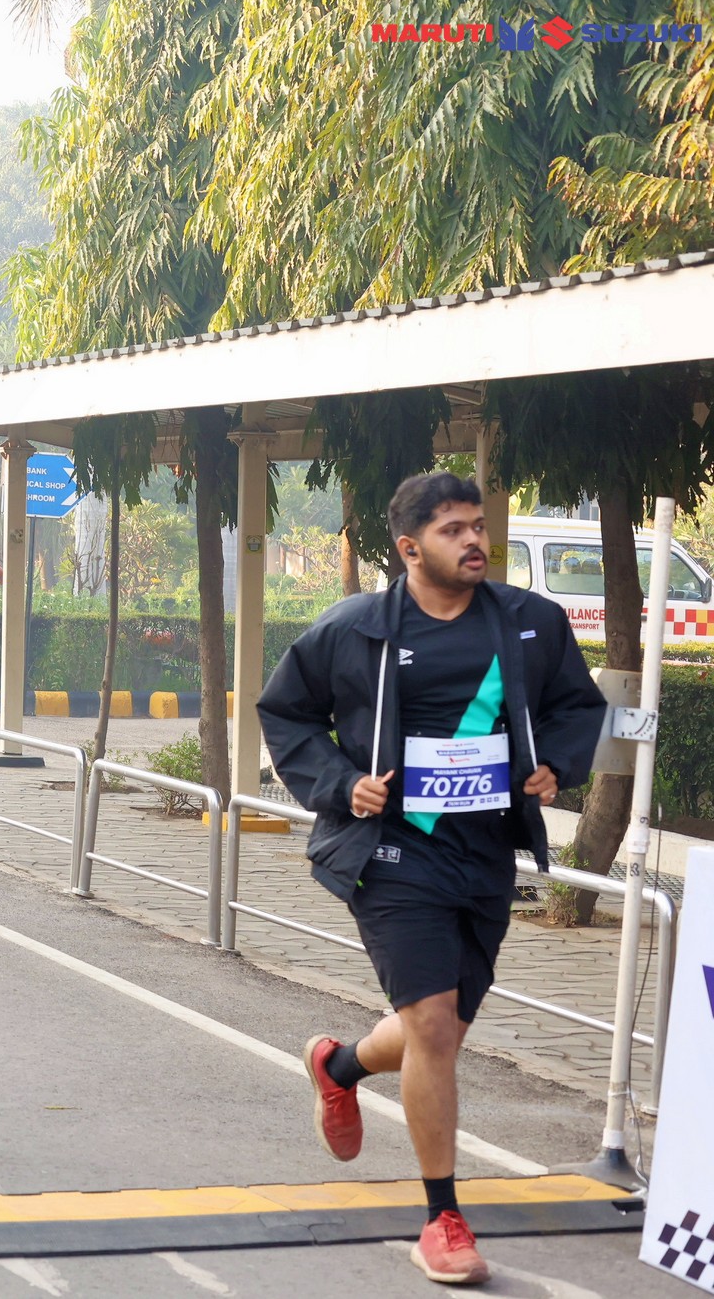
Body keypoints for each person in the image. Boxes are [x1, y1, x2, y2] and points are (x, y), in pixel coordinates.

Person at [257, 472, 606, 1287]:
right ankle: (442, 1217)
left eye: (478, 525)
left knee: (437, 1030)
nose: (474, 540)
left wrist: (555, 764)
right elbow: (287, 712)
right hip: (392, 850)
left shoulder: (529, 622)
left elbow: (576, 706)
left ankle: (339, 1066)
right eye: (454, 529)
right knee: (435, 1026)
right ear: (410, 548)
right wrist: (343, 783)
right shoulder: (357, 627)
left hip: (485, 854)